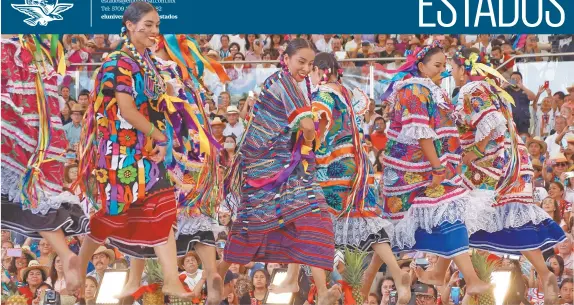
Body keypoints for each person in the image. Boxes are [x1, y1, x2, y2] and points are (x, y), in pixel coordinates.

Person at [416, 46, 566, 305]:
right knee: (513, 220)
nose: (450, 71)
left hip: (490, 163)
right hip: (510, 161)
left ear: (464, 68)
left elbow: (492, 119)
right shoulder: (487, 87)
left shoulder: (470, 89)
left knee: (457, 211)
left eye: (452, 67)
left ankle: (441, 271)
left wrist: (477, 149)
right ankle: (544, 272)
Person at [75, 2, 191, 300]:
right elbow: (126, 109)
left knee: (163, 205)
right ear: (129, 25)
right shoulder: (119, 61)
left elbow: (151, 106)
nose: (155, 31)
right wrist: (160, 137)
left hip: (146, 151)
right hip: (119, 153)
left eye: (157, 25)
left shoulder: (147, 62)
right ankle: (78, 262)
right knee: (111, 215)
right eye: (148, 25)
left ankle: (170, 279)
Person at [106, 33, 226, 304]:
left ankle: (134, 279)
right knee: (197, 217)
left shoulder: (153, 70)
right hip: (194, 158)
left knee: (149, 215)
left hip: (165, 155)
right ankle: (211, 271)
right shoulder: (188, 79)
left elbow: (143, 111)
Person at [219, 38, 340, 305]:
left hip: (278, 170)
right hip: (270, 171)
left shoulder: (289, 83)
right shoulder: (285, 84)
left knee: (308, 217)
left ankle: (319, 292)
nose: (307, 68)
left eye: (311, 63)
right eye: (302, 61)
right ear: (286, 58)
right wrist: (311, 143)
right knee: (263, 225)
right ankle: (215, 279)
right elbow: (308, 127)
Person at [380, 41, 491, 295]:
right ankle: (468, 279)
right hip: (414, 173)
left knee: (448, 217)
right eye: (437, 65)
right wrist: (438, 167)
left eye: (445, 65)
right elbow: (422, 135)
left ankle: (440, 274)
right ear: (421, 66)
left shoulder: (432, 90)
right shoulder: (414, 89)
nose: (443, 70)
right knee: (446, 215)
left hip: (429, 171)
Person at [0, 35, 88, 295]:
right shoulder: (39, 51)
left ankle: (66, 255)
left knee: (29, 197)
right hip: (40, 135)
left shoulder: (12, 49)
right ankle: (65, 252)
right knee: (35, 197)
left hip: (17, 128)